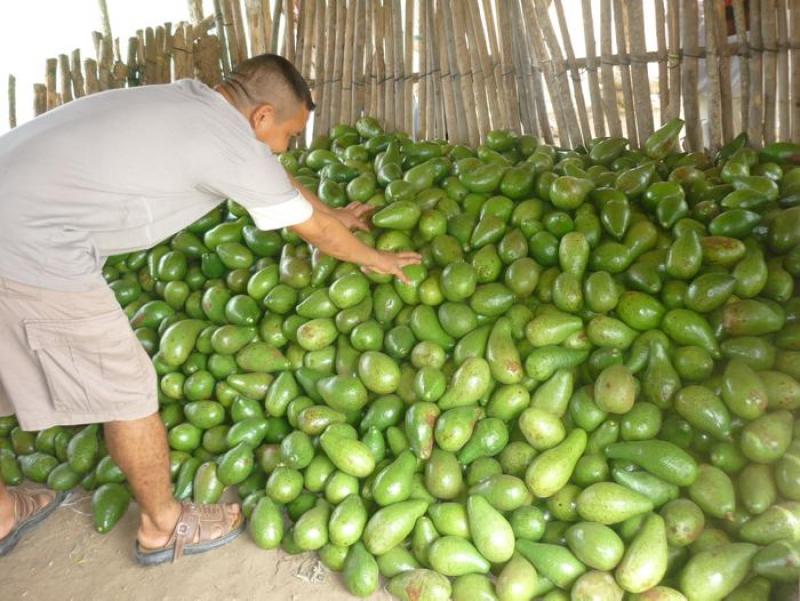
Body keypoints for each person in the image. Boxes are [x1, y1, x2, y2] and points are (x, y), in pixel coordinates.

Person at [0, 53, 420, 564]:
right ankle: (163, 526)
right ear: (262, 116)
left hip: (14, 212)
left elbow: (274, 181)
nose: (289, 147)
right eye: (290, 134)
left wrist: (334, 213)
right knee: (127, 388)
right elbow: (312, 232)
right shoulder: (224, 140)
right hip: (28, 245)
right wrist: (376, 258)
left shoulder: (191, 103)